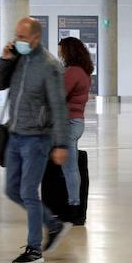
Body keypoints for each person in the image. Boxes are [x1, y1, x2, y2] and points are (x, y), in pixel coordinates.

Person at [0, 17, 72, 263]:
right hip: (15, 134)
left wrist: (61, 144)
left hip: (37, 138)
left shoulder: (49, 65)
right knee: (11, 190)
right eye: (17, 35)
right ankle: (53, 224)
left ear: (36, 38)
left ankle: (34, 249)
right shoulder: (19, 58)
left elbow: (59, 107)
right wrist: (5, 60)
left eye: (23, 37)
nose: (18, 41)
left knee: (28, 191)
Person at [58, 36, 93, 209]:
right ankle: (71, 200)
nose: (60, 55)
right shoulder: (83, 71)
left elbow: (59, 95)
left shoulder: (73, 72)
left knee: (70, 167)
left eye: (61, 51)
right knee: (69, 165)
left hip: (69, 123)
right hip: (77, 121)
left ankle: (74, 203)